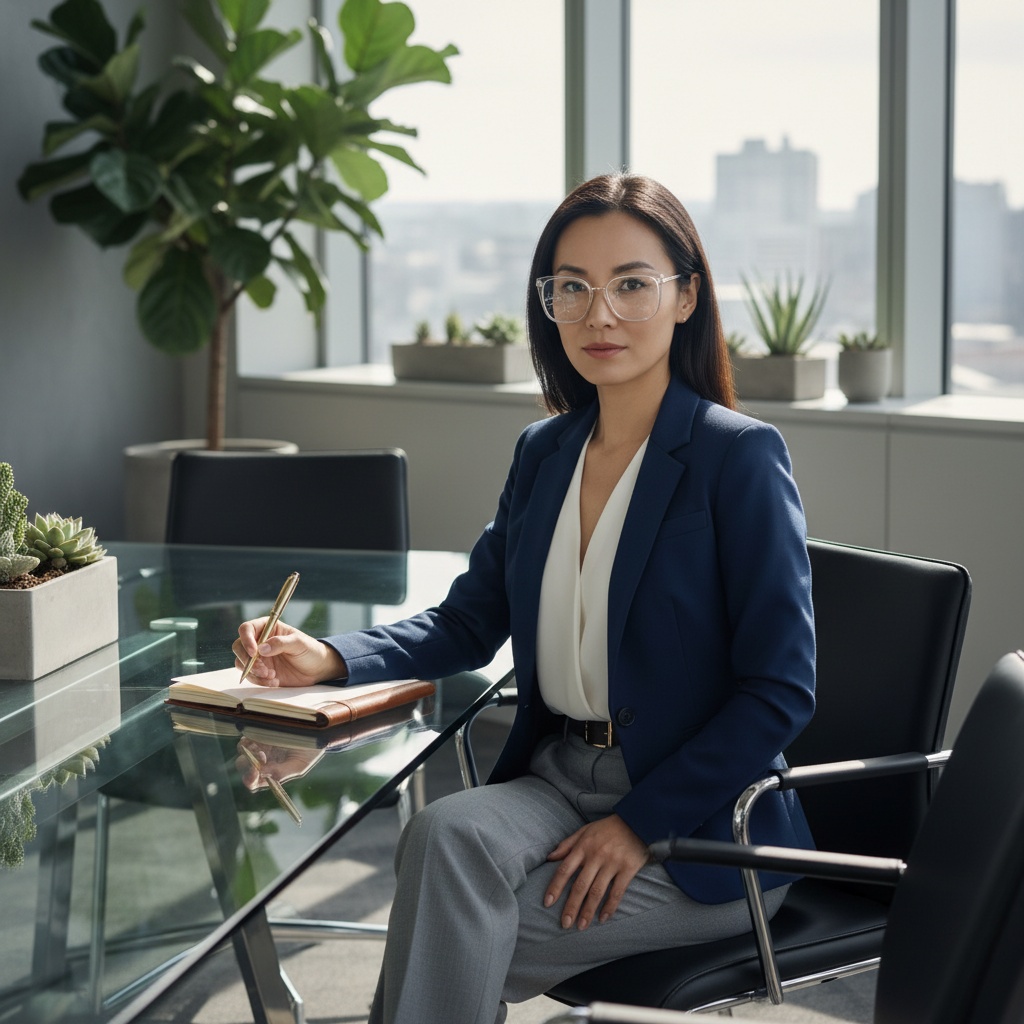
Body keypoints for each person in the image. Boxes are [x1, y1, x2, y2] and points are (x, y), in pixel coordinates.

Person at [233, 173, 816, 1024]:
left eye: (630, 285)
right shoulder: (545, 452)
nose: (598, 314)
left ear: (686, 296)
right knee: (442, 835)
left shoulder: (740, 457)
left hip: (706, 828)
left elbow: (781, 691)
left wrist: (636, 824)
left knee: (453, 932)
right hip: (557, 777)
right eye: (570, 288)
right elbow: (469, 620)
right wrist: (329, 656)